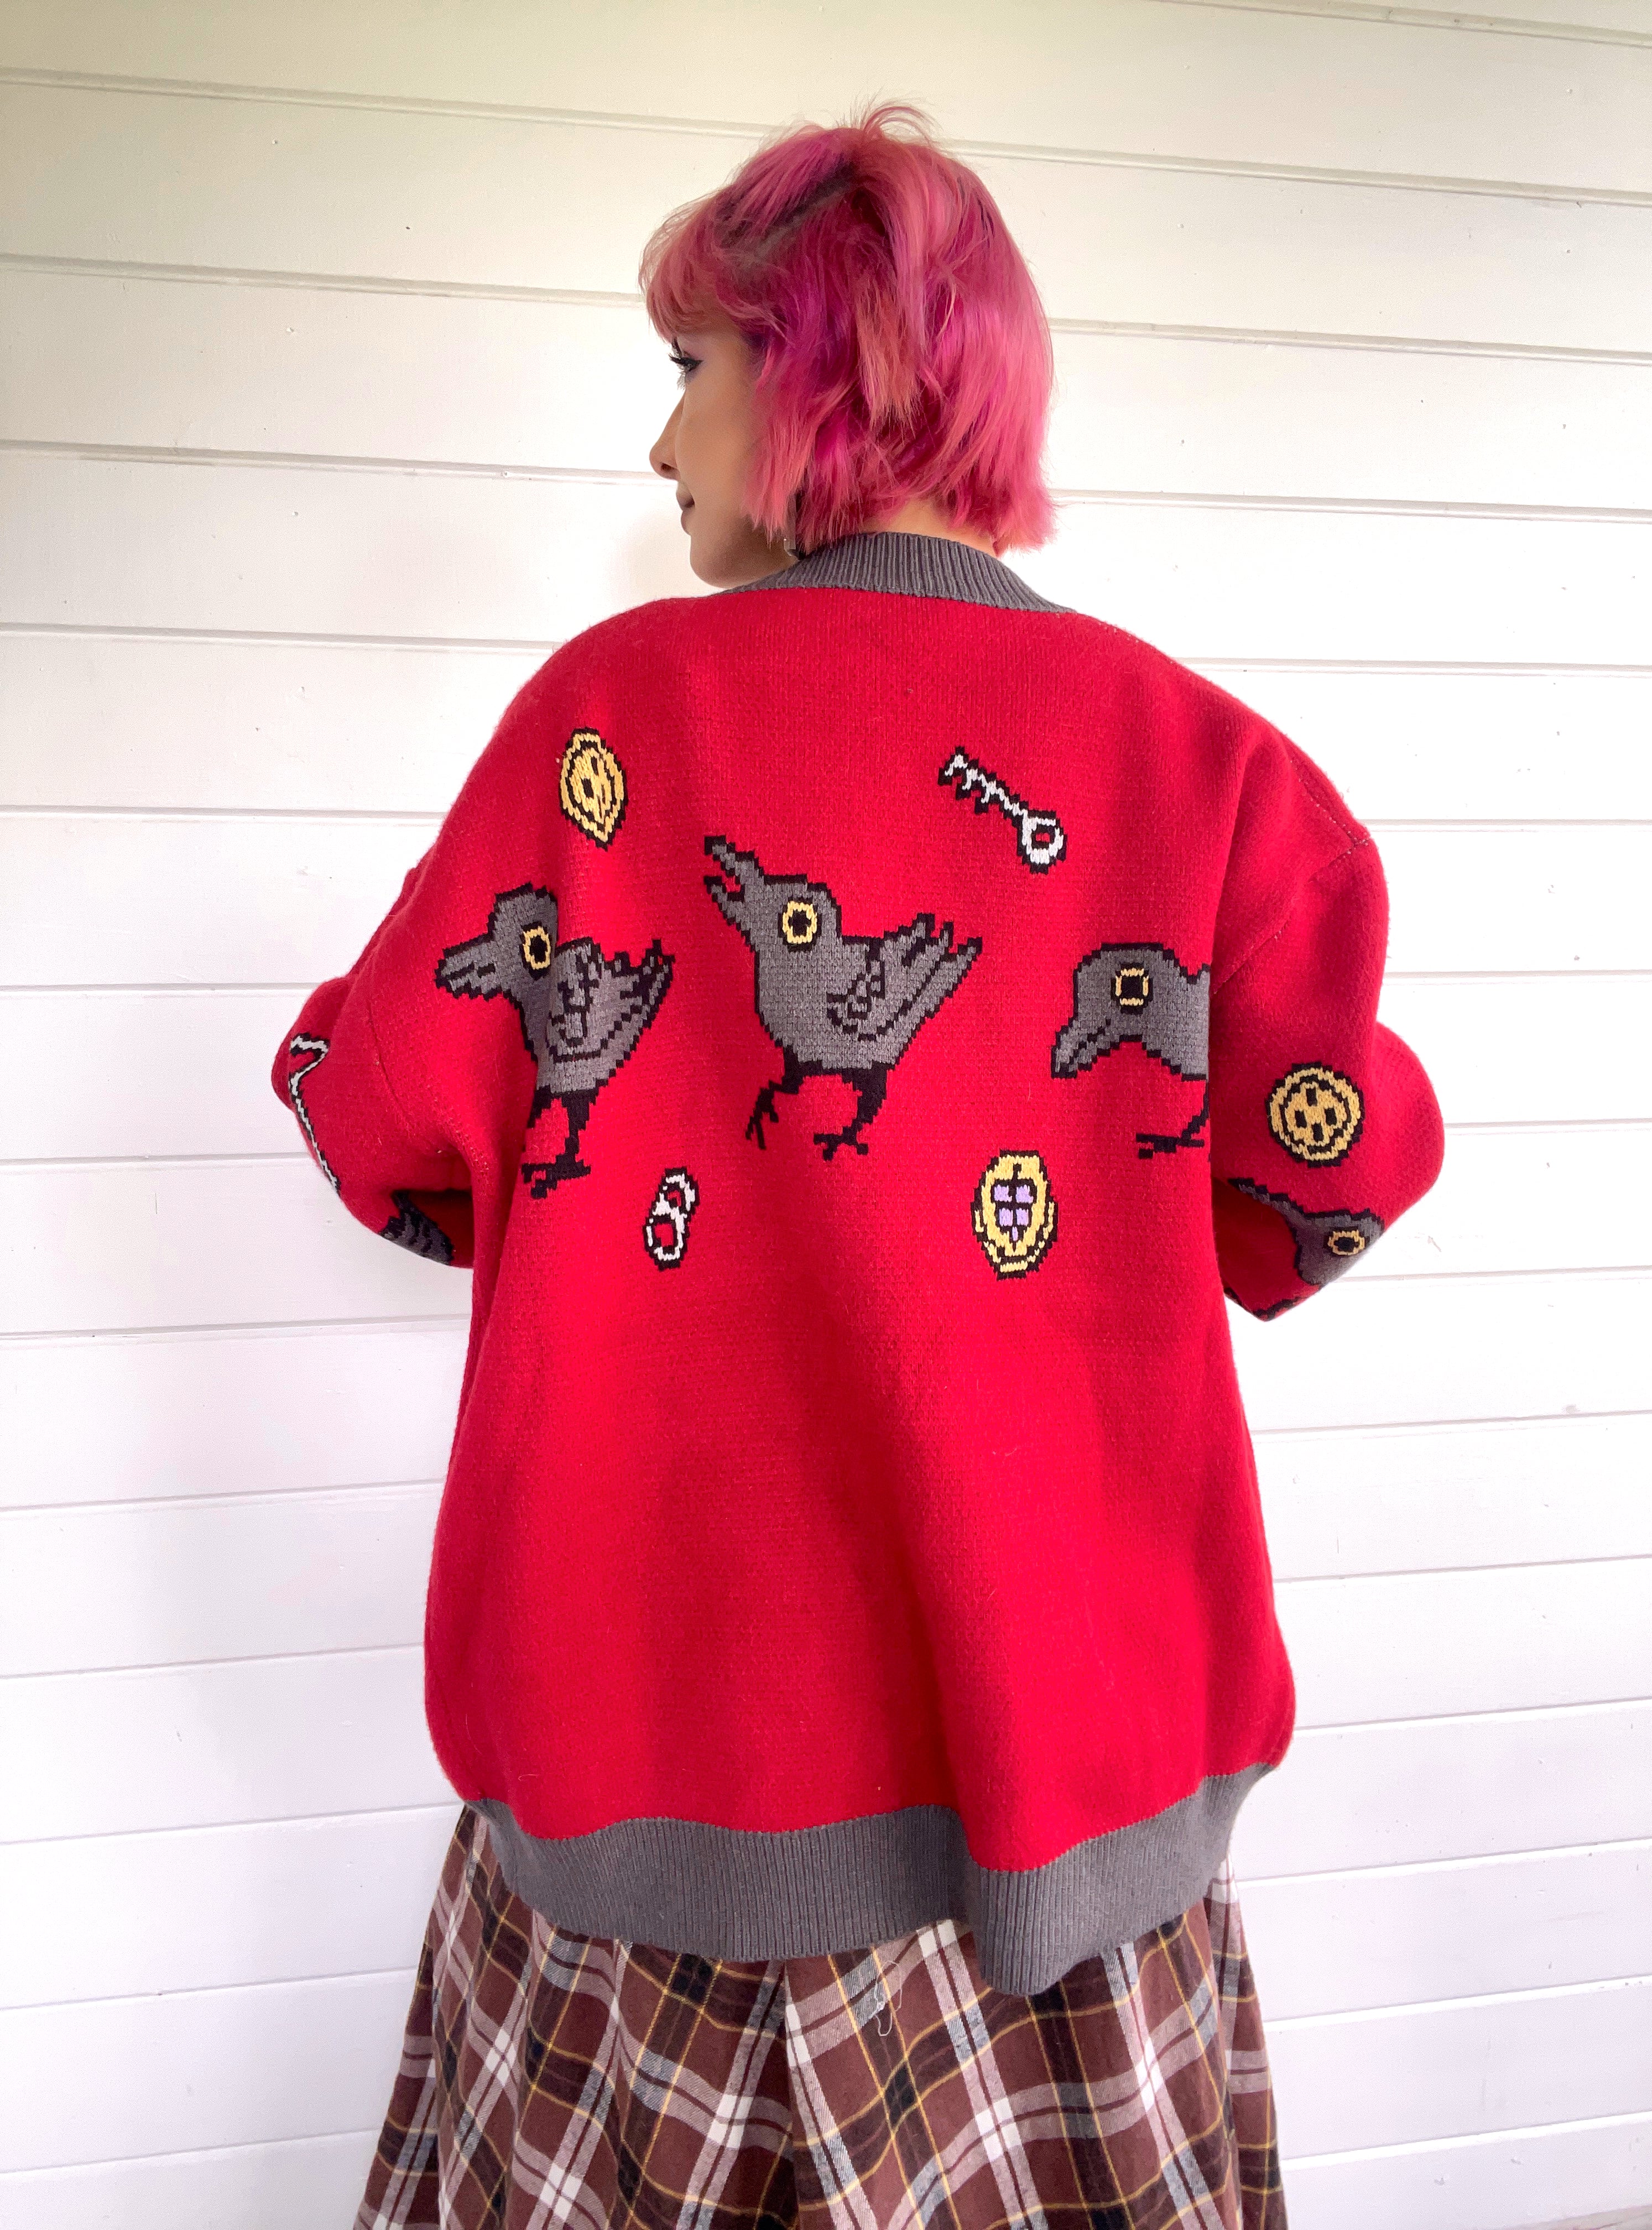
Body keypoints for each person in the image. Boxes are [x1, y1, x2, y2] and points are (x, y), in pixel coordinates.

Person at [278, 103, 1443, 2230]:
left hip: (647, 1830)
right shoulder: (1199, 768)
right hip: (1066, 1851)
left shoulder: (605, 727)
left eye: (690, 368)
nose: (664, 445)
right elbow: (1331, 1183)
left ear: (822, 370)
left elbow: (381, 1123)